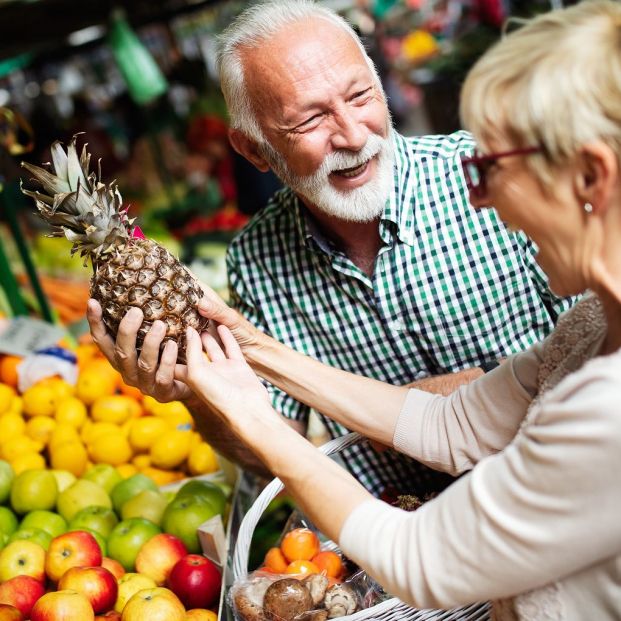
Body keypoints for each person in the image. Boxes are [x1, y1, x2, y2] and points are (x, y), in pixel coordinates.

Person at [175, 1, 621, 617]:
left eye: (492, 167)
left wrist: (254, 417)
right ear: (255, 149)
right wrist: (252, 352)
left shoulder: (607, 403)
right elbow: (454, 425)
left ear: (592, 180)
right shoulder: (590, 329)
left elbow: (424, 562)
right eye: (311, 119)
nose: (482, 196)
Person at [87, 0, 573, 497]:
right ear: (254, 149)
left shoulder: (488, 177)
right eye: (308, 121)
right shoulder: (257, 260)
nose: (353, 134)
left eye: (360, 96)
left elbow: (602, 350)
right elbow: (280, 447)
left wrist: (455, 400)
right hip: (406, 537)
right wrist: (198, 396)